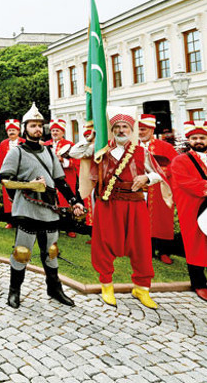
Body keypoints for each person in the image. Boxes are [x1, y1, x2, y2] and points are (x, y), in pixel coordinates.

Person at [70, 108, 169, 309]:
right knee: (104, 243)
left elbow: (160, 174)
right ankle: (106, 285)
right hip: (109, 203)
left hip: (135, 203)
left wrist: (146, 178)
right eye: (117, 127)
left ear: (130, 129)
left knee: (141, 245)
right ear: (112, 130)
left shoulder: (142, 151)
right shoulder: (101, 149)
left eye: (125, 127)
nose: (121, 130)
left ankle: (142, 288)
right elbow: (74, 153)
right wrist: (92, 139)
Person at [0, 104, 83, 308]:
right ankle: (14, 291)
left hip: (49, 209)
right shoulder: (16, 152)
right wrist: (29, 185)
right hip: (26, 209)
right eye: (33, 125)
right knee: (22, 252)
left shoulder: (49, 152)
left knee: (51, 251)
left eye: (39, 125)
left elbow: (60, 180)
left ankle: (54, 289)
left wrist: (75, 201)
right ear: (24, 128)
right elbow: (5, 180)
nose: (37, 129)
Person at [170, 121, 207, 302]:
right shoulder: (180, 160)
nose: (198, 141)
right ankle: (199, 284)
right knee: (197, 245)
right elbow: (183, 182)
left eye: (202, 138)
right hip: (197, 206)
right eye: (194, 138)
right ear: (189, 140)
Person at [138, 114, 178, 265]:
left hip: (159, 188)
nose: (140, 132)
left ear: (151, 129)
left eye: (143, 129)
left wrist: (157, 174)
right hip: (137, 189)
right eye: (138, 129)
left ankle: (163, 252)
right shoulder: (131, 147)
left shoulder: (165, 147)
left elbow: (174, 167)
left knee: (161, 220)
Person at [44, 119, 80, 238]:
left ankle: (70, 228)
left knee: (67, 201)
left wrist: (62, 160)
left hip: (66, 177)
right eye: (53, 130)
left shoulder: (70, 145)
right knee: (51, 201)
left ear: (62, 132)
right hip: (50, 177)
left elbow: (75, 162)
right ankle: (54, 227)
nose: (54, 132)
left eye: (57, 130)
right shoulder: (45, 145)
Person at [0, 119, 25, 229]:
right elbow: (0, 159)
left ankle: (22, 222)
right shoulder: (4, 143)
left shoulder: (23, 142)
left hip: (21, 174)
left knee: (21, 197)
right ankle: (11, 221)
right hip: (8, 174)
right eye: (9, 130)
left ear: (18, 131)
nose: (11, 132)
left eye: (13, 130)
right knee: (8, 198)